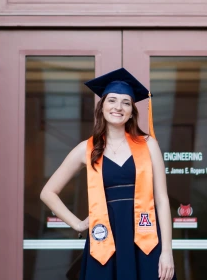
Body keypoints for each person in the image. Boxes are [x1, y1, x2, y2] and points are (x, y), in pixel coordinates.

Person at [40, 68, 176, 280]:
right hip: (105, 241)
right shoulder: (86, 149)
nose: (118, 107)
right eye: (112, 100)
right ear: (101, 106)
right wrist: (78, 224)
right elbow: (48, 192)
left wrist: (167, 251)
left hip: (145, 239)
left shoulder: (148, 145)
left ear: (132, 110)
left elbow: (161, 199)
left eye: (126, 102)